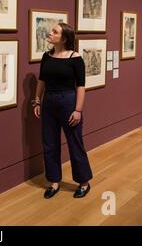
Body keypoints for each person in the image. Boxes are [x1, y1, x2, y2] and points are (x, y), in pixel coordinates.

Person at [33, 23, 93, 199]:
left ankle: (83, 182)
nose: (50, 33)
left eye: (55, 32)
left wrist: (78, 110)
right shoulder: (47, 56)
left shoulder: (76, 59)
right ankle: (54, 181)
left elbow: (81, 87)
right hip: (49, 102)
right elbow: (41, 80)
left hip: (68, 102)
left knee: (75, 143)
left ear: (64, 38)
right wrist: (37, 101)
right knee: (49, 143)